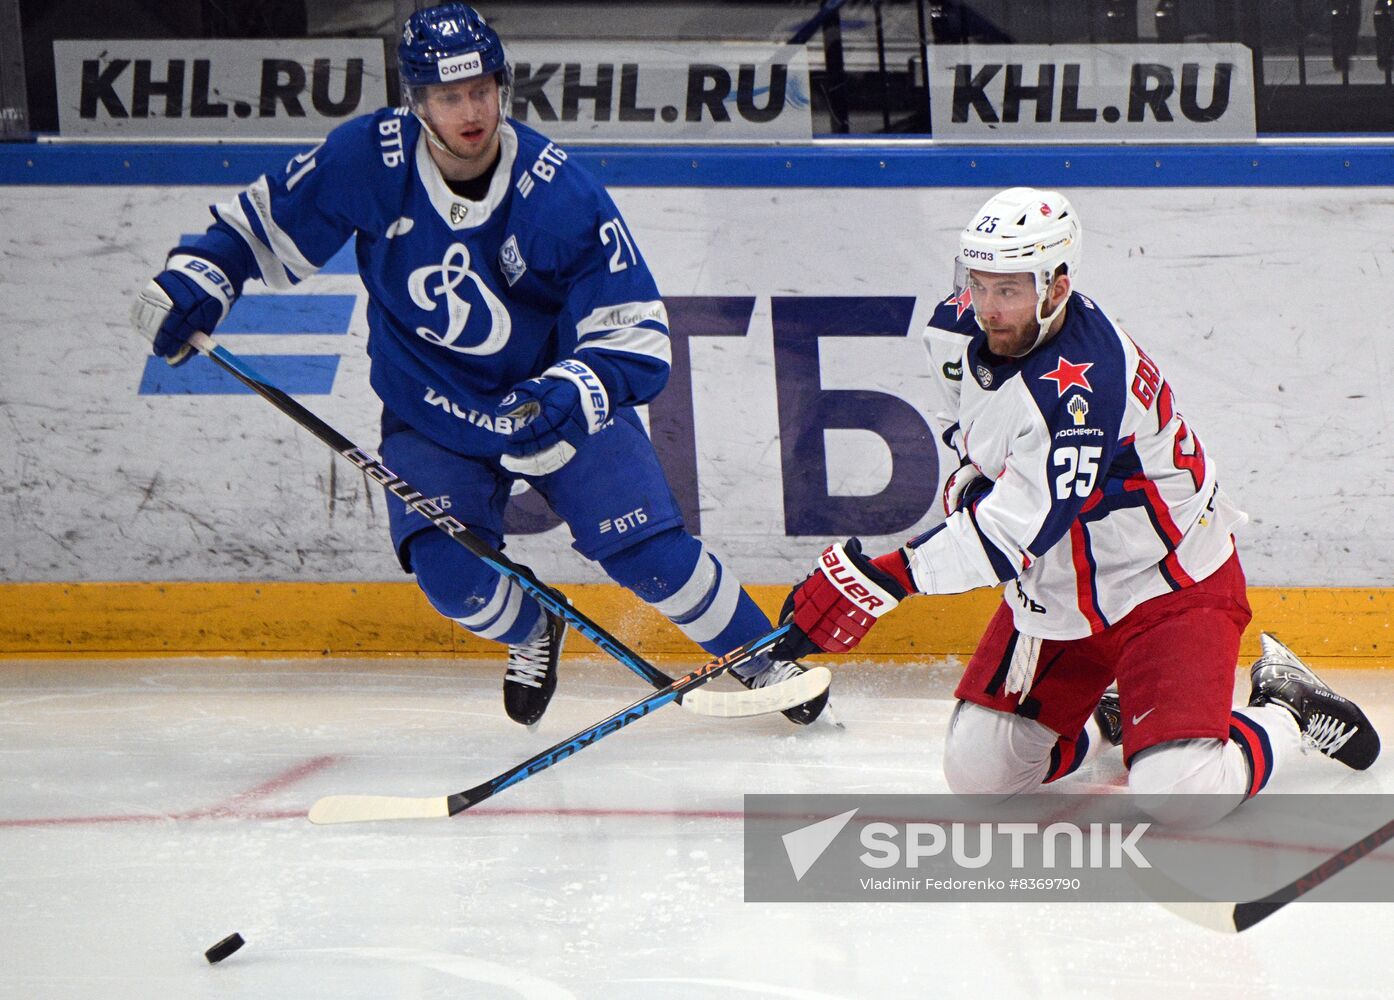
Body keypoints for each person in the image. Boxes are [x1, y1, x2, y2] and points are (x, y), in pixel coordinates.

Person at [130, 2, 827, 728]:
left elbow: (639, 331)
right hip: (431, 413)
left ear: (503, 85)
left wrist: (575, 390)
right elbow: (258, 226)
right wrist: (201, 278)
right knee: (454, 580)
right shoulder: (368, 159)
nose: (471, 111)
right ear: (416, 101)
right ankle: (534, 629)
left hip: (550, 404)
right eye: (448, 95)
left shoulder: (560, 193)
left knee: (651, 556)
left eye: (483, 90)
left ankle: (764, 657)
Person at [772, 186, 1378, 824]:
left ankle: (1286, 709)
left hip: (1167, 588)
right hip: (1061, 592)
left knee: (1178, 794)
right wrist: (968, 483)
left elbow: (1012, 535)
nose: (986, 309)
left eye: (1009, 290)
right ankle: (1113, 717)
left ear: (1057, 287)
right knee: (979, 777)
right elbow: (974, 446)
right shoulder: (954, 332)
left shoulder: (1082, 391)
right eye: (977, 284)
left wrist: (878, 581)